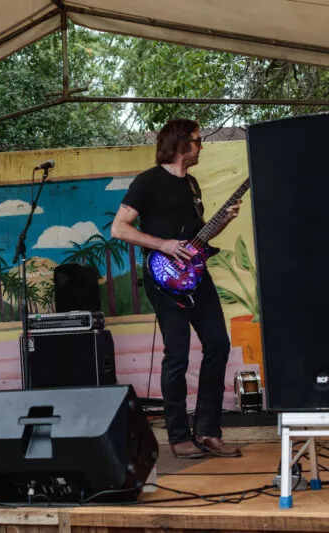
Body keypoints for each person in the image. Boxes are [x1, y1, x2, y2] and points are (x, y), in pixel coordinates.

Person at [110, 119, 242, 459]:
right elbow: (119, 229)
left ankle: (209, 430)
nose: (202, 146)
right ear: (182, 143)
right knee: (178, 353)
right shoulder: (148, 181)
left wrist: (221, 221)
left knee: (218, 344)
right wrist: (164, 245)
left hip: (197, 276)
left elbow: (195, 239)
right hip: (164, 280)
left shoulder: (192, 185)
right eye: (198, 140)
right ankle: (179, 436)